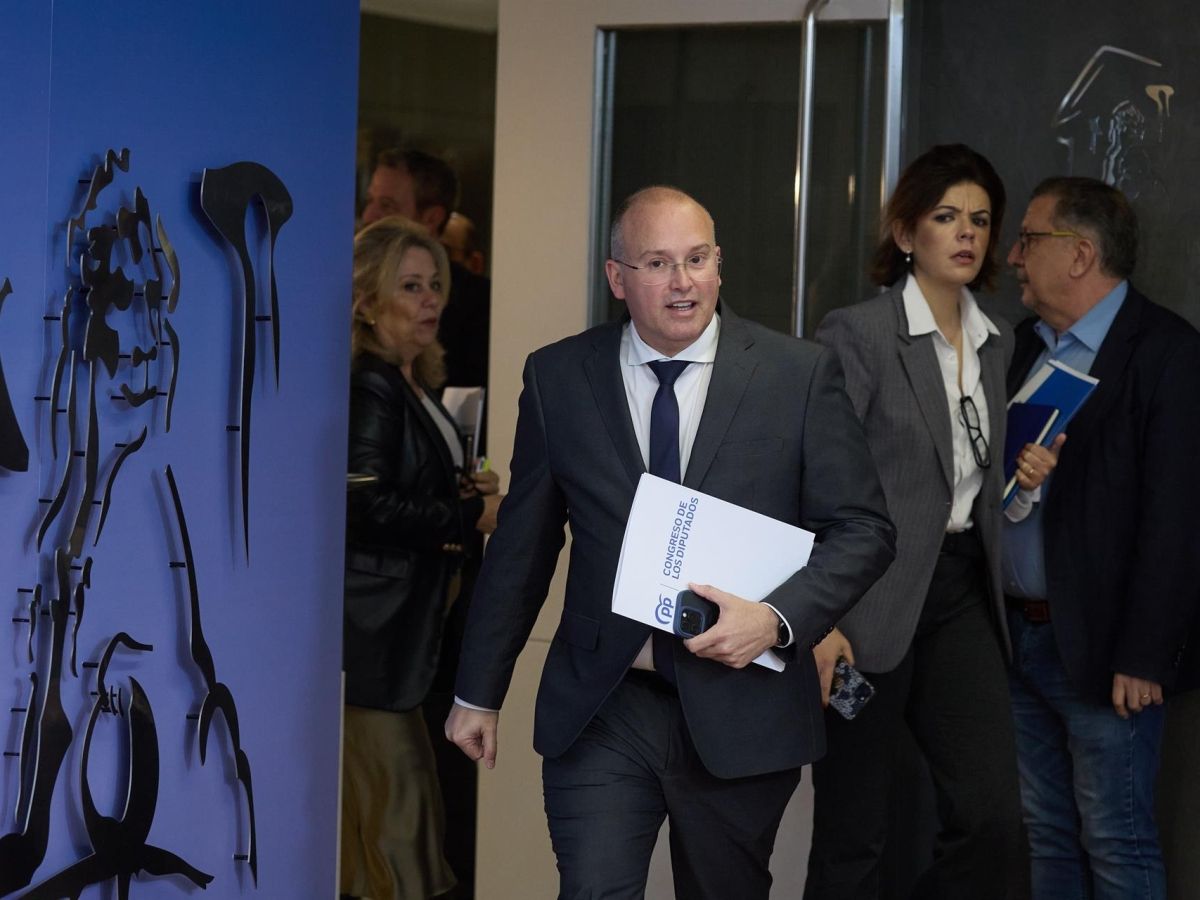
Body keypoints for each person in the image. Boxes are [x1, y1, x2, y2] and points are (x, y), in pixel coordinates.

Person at [445, 185, 896, 899]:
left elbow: (864, 529)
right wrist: (478, 691)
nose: (683, 282)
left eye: (697, 259)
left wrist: (776, 620)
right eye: (657, 263)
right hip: (605, 699)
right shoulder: (560, 377)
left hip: (742, 704)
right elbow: (522, 548)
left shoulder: (797, 375)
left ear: (719, 264)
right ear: (617, 277)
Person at [806, 143, 1060, 899]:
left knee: (992, 819)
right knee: (854, 831)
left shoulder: (998, 341)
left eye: (980, 220)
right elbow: (813, 476)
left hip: (958, 594)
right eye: (947, 217)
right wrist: (821, 615)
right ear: (906, 232)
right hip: (867, 595)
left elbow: (972, 488)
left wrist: (1022, 487)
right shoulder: (858, 333)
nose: (966, 233)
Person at [1002, 176, 1200, 900]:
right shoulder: (1022, 347)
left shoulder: (1167, 353)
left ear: (1080, 254)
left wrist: (1145, 654)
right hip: (1018, 640)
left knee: (1116, 840)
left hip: (1108, 649)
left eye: (1029, 239)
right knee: (1046, 835)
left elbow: (1179, 519)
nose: (1013, 256)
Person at [341, 216, 501, 900]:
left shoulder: (412, 384)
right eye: (409, 286)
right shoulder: (372, 387)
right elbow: (363, 505)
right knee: (398, 837)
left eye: (434, 283)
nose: (431, 298)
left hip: (407, 641)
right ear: (366, 301)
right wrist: (470, 516)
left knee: (395, 838)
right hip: (376, 645)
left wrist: (464, 492)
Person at [361, 149, 491, 389]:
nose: (368, 216)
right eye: (369, 201)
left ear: (431, 218)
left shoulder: (479, 307)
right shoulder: (364, 380)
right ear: (366, 302)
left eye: (387, 205)